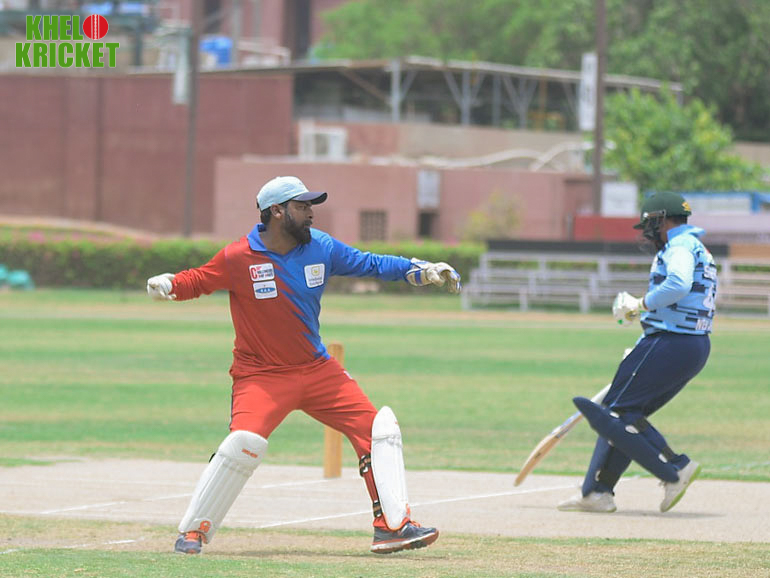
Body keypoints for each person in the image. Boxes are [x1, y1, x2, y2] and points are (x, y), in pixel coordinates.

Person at [146, 176, 461, 555]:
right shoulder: (239, 256)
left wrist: (419, 270)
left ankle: (393, 527)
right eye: (302, 206)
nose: (311, 213)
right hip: (260, 377)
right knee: (242, 445)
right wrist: (169, 285)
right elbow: (199, 280)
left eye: (311, 206)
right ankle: (193, 532)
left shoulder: (321, 247)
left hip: (317, 370)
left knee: (377, 433)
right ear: (276, 212)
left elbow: (370, 263)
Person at [558, 191, 717, 514]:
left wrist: (641, 304)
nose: (647, 232)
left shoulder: (680, 246)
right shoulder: (694, 246)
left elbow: (678, 284)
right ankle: (597, 492)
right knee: (626, 415)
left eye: (649, 225)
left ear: (662, 220)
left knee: (616, 414)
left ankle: (675, 467)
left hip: (671, 342)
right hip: (689, 344)